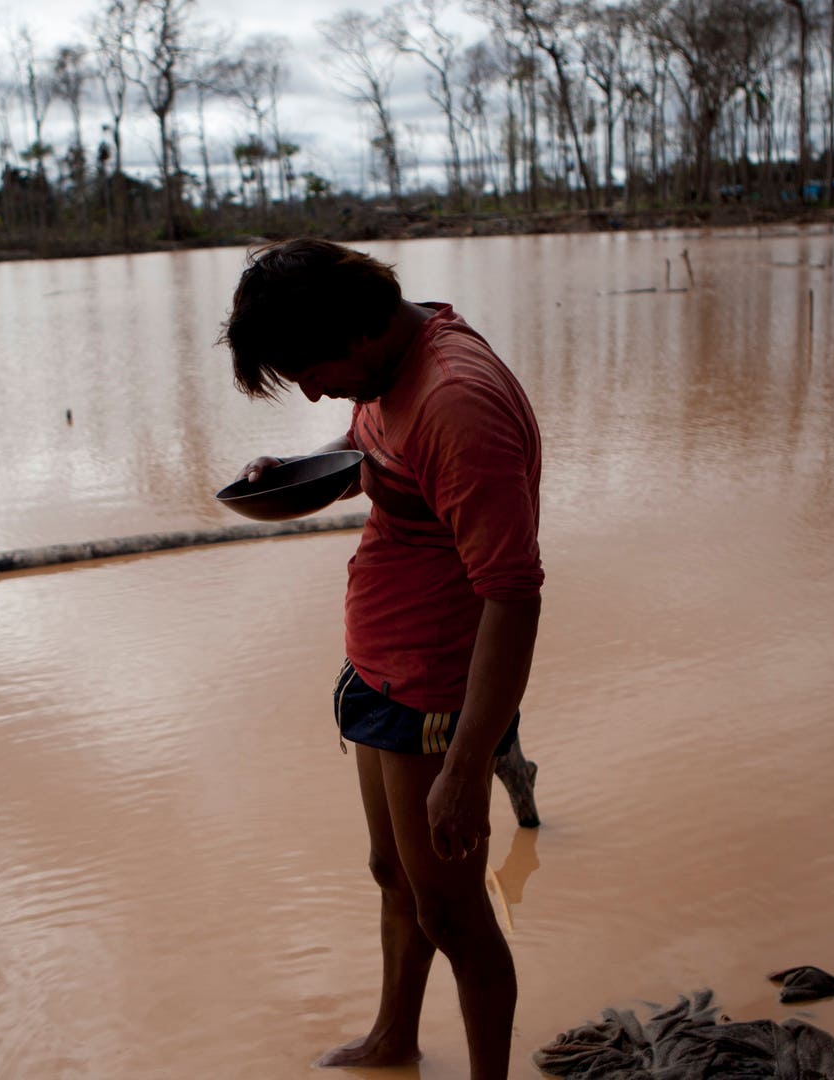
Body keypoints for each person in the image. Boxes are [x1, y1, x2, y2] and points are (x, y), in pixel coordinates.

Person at [220, 238, 542, 1080]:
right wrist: (306, 472)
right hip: (380, 670)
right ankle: (395, 1036)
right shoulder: (394, 359)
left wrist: (469, 765)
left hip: (436, 693)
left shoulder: (457, 405)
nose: (318, 390)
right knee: (391, 872)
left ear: (359, 331)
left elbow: (512, 594)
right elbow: (381, 457)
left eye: (313, 369)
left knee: (455, 916)